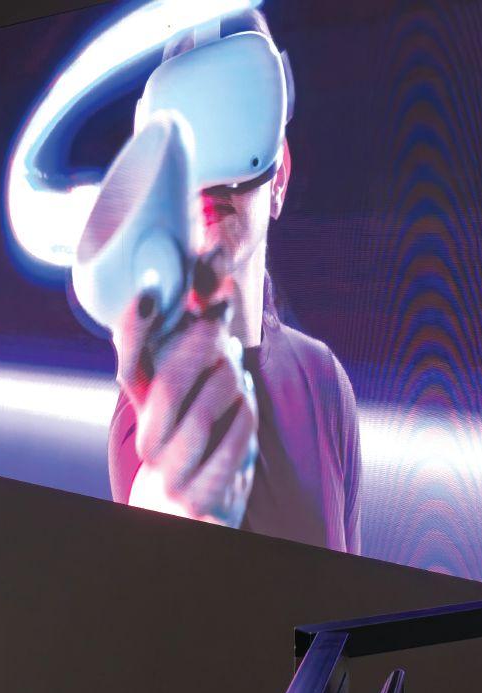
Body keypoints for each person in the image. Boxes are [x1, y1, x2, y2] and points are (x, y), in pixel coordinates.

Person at [107, 10, 361, 553]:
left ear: (279, 176)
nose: (212, 173)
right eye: (188, 135)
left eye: (234, 115)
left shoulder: (325, 382)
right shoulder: (149, 403)